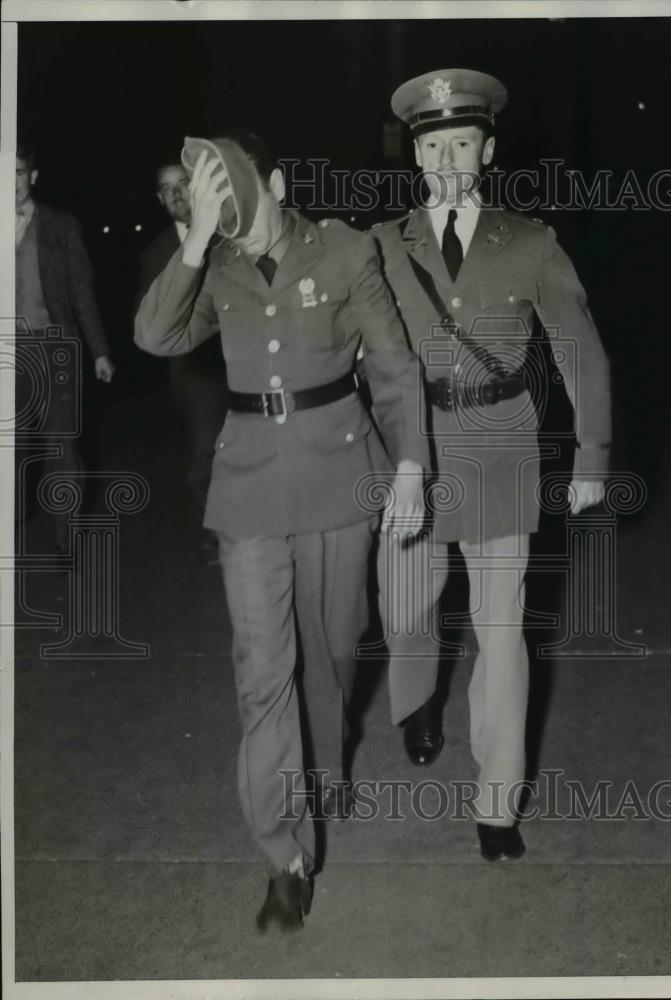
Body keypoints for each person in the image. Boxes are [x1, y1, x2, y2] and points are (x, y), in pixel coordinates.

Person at [135, 133, 427, 931]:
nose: (234, 221)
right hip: (250, 487)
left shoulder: (342, 248)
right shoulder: (211, 262)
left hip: (338, 474)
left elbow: (394, 364)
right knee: (263, 671)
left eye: (238, 201)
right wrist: (195, 237)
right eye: (212, 208)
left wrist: (408, 466)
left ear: (276, 181)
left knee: (333, 650)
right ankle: (285, 858)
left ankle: (325, 767)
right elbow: (156, 337)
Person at [372, 69, 611, 861]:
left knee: (501, 632)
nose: (446, 158)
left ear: (487, 150)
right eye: (431, 144)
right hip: (410, 448)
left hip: (501, 445)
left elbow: (578, 347)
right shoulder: (380, 243)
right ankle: (416, 698)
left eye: (461, 142)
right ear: (415, 156)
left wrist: (591, 454)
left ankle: (496, 804)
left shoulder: (530, 241)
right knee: (406, 608)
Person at [15, 143, 115, 552]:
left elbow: (82, 293)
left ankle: (66, 540)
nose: (11, 183)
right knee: (15, 446)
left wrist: (100, 352)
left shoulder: (62, 225)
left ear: (32, 177)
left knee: (63, 447)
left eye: (18, 172)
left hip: (56, 349)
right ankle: (15, 516)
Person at [137, 159, 229, 558]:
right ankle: (216, 530)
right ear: (160, 200)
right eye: (166, 189)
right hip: (196, 370)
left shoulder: (232, 234)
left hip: (245, 355)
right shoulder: (155, 254)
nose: (176, 193)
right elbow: (151, 324)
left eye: (183, 184)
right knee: (206, 452)